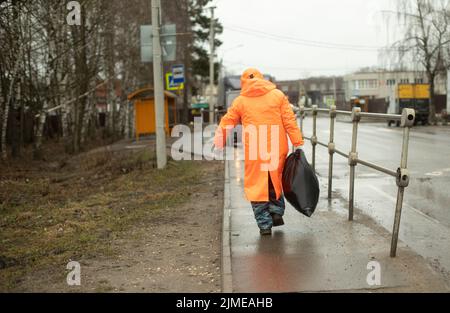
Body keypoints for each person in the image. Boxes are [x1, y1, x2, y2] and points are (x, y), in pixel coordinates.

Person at [214, 68, 304, 235]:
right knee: (274, 179)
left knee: (256, 184)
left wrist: (219, 140)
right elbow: (289, 120)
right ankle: (276, 212)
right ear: (262, 79)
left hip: (255, 148)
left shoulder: (241, 101)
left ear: (243, 83)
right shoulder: (277, 95)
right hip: (278, 146)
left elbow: (228, 120)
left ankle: (264, 224)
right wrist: (297, 141)